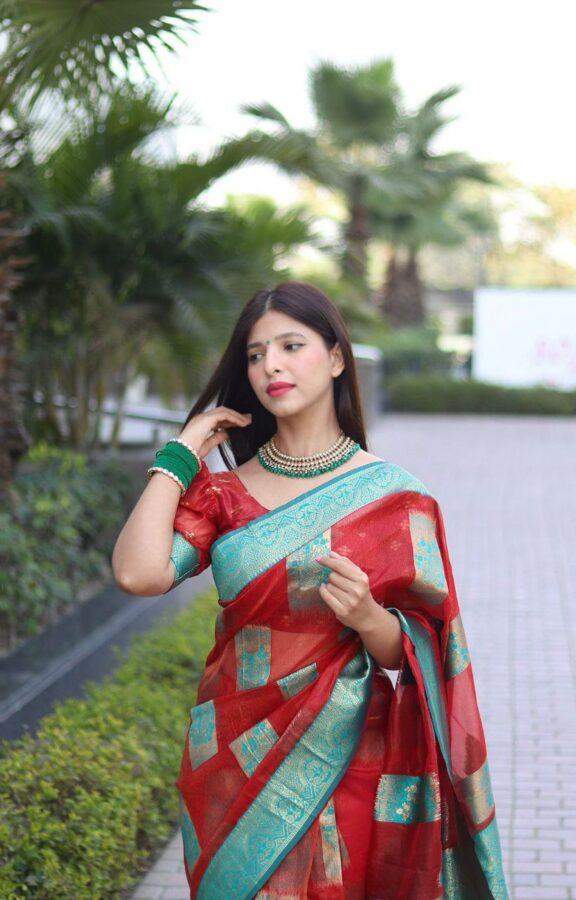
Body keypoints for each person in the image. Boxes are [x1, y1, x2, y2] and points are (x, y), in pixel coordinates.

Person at [112, 282, 509, 899]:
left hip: (345, 752)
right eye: (255, 353)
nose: (270, 364)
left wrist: (371, 617)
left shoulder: (394, 498)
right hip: (230, 758)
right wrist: (184, 452)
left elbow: (425, 649)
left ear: (335, 358)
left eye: (291, 345)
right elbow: (140, 574)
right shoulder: (224, 494)